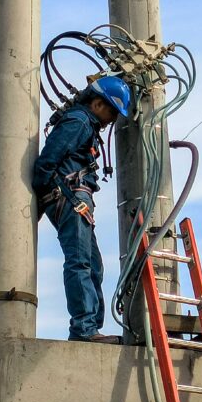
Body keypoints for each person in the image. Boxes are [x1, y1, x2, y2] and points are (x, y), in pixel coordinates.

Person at [32, 76, 130, 344]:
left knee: (94, 266)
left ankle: (90, 328)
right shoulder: (79, 121)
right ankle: (84, 329)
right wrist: (47, 194)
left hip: (76, 200)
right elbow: (46, 162)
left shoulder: (86, 124)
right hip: (69, 198)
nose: (112, 119)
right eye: (112, 111)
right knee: (80, 263)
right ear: (97, 104)